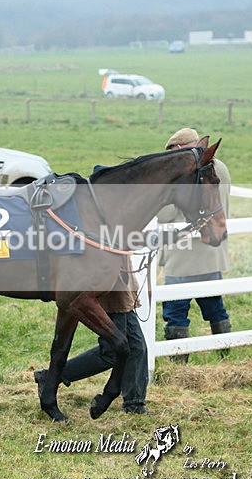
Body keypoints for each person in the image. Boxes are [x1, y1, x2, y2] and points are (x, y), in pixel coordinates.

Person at [33, 257, 150, 415]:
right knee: (112, 352)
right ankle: (50, 377)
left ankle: (134, 403)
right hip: (112, 290)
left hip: (120, 283)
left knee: (137, 346)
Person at [157, 128, 231, 363]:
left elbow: (165, 214)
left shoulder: (189, 171)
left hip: (183, 254)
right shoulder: (221, 168)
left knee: (176, 311)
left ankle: (178, 363)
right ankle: (224, 353)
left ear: (181, 148)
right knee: (214, 307)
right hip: (212, 252)